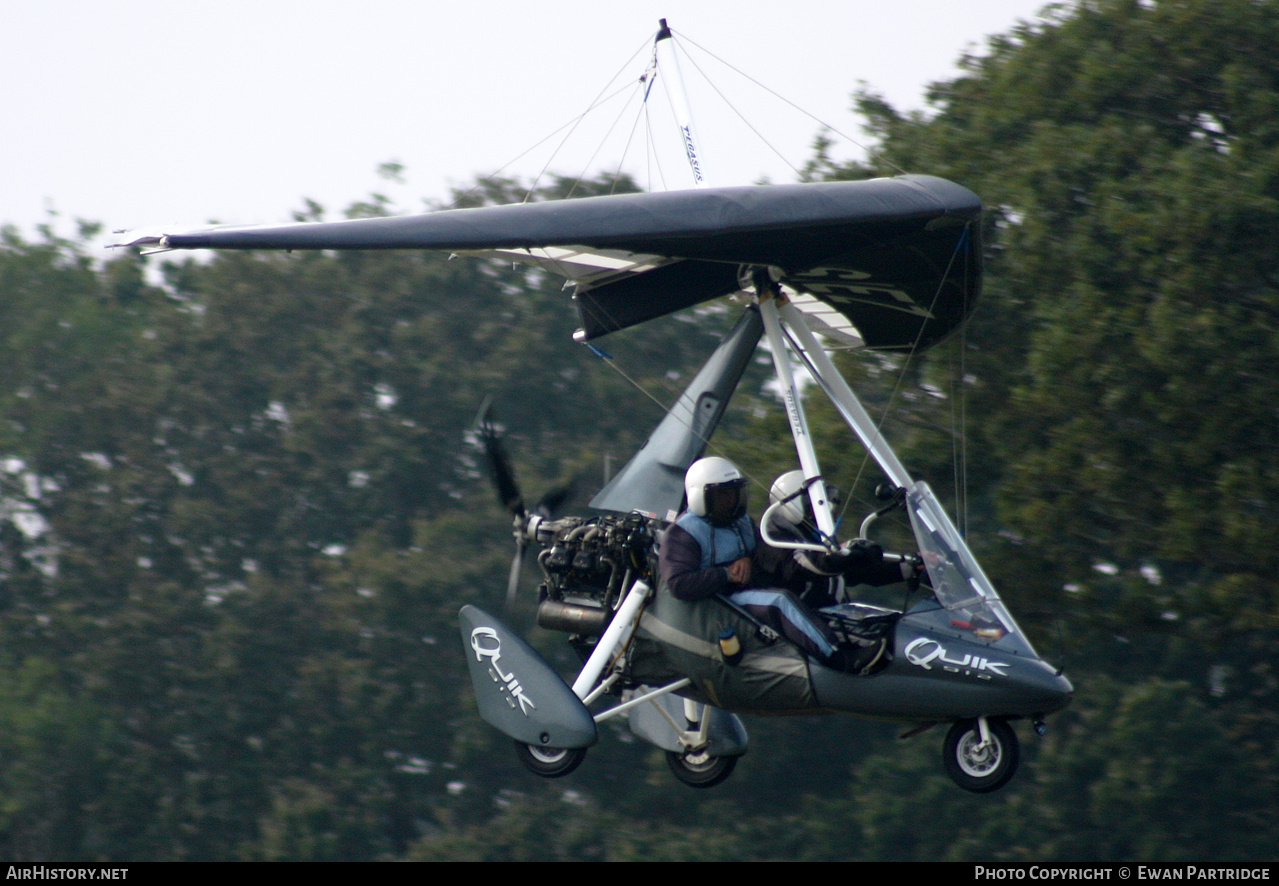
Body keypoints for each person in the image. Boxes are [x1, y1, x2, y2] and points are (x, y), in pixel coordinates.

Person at [658, 457, 843, 664]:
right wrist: (726, 574)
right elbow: (678, 584)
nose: (732, 501)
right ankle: (837, 655)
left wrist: (747, 559)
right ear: (699, 498)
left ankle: (848, 635)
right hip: (721, 602)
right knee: (779, 601)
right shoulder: (683, 532)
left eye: (735, 493)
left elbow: (764, 553)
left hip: (750, 589)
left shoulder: (742, 522)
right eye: (722, 495)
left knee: (816, 584)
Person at [759, 470, 916, 610]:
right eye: (817, 508)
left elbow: (858, 572)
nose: (826, 514)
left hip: (833, 618)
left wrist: (911, 567)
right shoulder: (775, 543)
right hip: (804, 628)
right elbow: (813, 565)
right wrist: (849, 550)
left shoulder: (811, 540)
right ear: (793, 508)